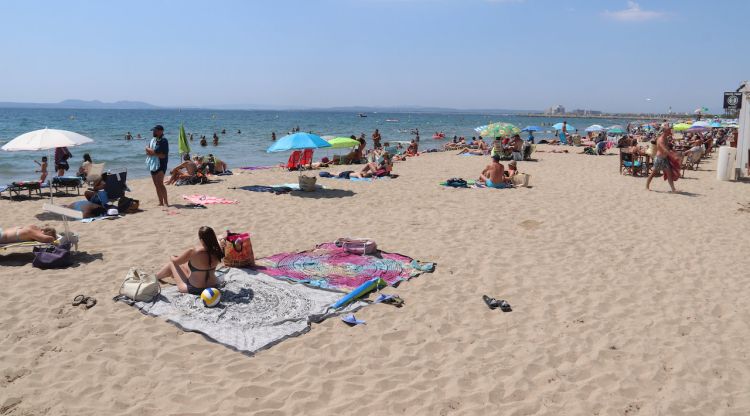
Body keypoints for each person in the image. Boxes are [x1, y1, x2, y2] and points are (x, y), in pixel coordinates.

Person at [156, 226, 224, 295]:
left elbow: (176, 261)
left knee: (172, 264)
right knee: (186, 265)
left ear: (201, 240)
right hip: (213, 286)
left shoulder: (194, 251)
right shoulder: (219, 250)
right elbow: (220, 239)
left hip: (194, 288)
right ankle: (162, 276)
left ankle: (156, 277)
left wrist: (171, 256)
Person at [646, 126, 677, 193]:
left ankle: (673, 189)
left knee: (669, 174)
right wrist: (673, 156)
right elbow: (664, 150)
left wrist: (672, 151)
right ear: (665, 131)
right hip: (659, 159)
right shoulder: (661, 139)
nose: (670, 132)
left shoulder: (666, 138)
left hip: (664, 158)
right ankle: (647, 186)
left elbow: (667, 148)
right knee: (653, 173)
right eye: (669, 130)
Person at [146, 125, 169, 206]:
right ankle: (160, 202)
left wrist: (150, 151)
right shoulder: (153, 140)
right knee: (156, 184)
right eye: (153, 131)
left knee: (160, 183)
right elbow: (148, 152)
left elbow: (163, 155)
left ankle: (166, 202)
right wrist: (153, 153)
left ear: (161, 131)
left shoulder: (163, 141)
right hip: (153, 164)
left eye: (155, 130)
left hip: (161, 164)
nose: (153, 132)